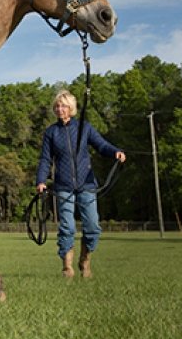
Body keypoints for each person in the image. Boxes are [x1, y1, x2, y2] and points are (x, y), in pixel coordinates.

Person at [35, 90, 125, 278]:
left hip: (87, 184)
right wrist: (41, 181)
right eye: (57, 106)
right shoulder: (51, 132)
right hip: (63, 187)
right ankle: (67, 268)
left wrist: (115, 152)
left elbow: (101, 145)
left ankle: (85, 260)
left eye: (63, 106)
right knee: (67, 227)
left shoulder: (85, 127)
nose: (60, 109)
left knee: (92, 225)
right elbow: (45, 159)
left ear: (71, 108)